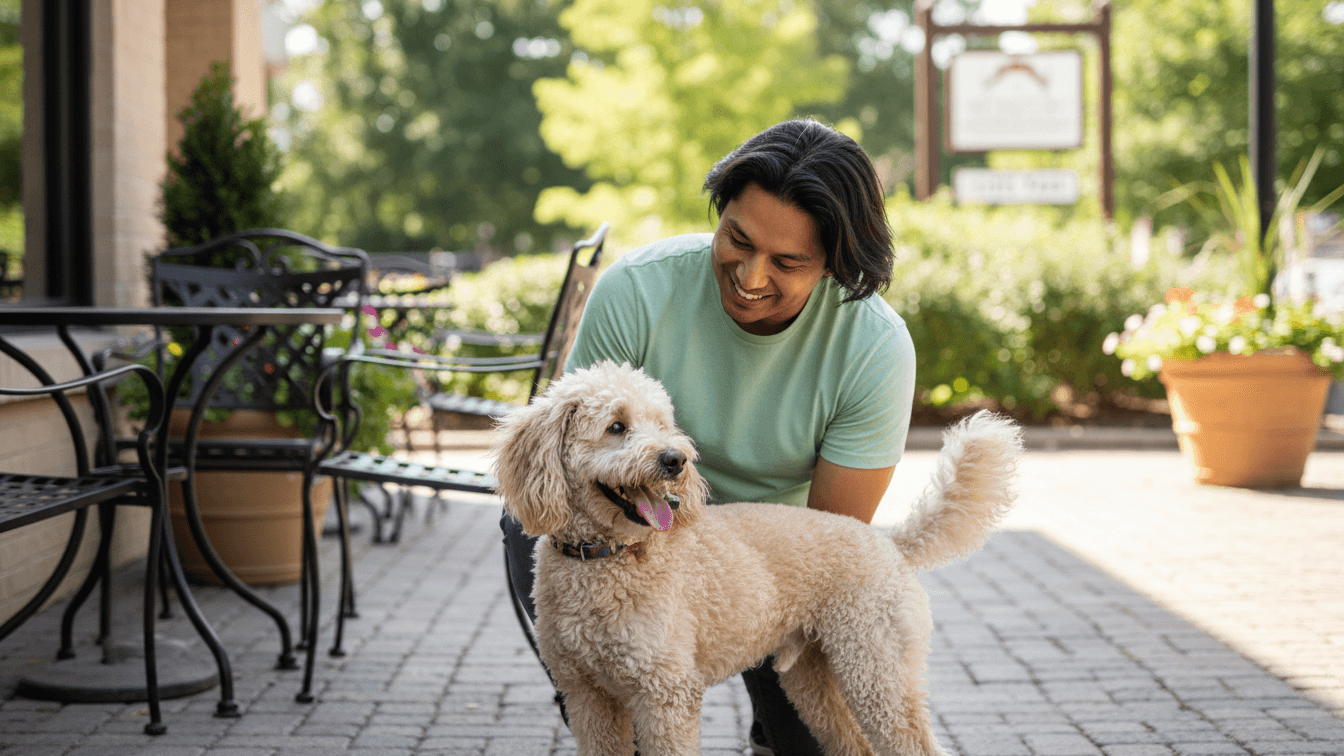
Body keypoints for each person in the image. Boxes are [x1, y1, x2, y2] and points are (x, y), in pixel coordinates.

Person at [501, 118, 916, 755]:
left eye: (787, 262)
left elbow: (832, 542)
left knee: (820, 738)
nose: (750, 276)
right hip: (634, 521)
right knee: (546, 553)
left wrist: (727, 612)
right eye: (737, 240)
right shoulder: (638, 289)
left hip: (775, 552)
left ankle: (766, 718)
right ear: (719, 214)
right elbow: (557, 454)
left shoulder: (874, 347)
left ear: (833, 264)